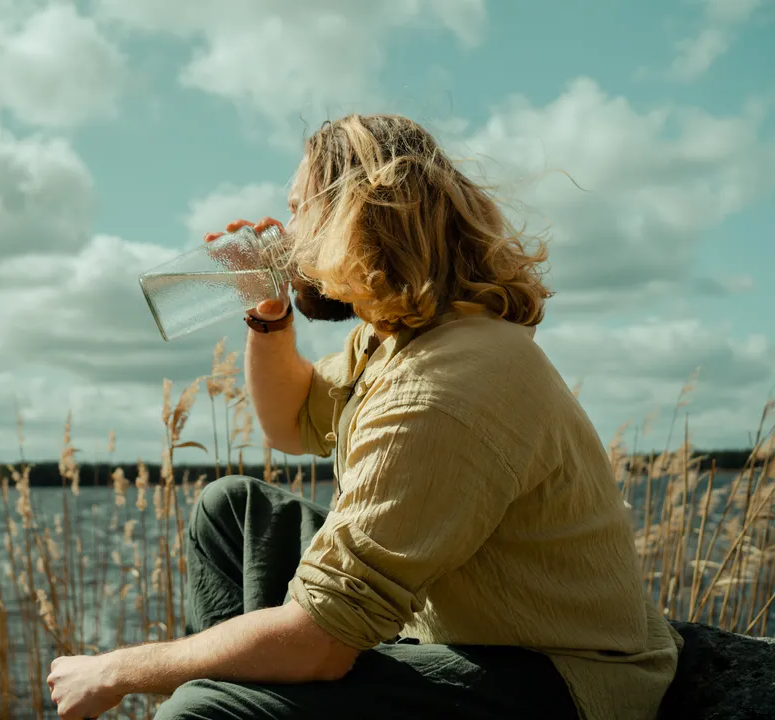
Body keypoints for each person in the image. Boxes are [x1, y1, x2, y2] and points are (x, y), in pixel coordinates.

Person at [47, 113, 681, 720]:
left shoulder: (436, 391)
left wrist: (117, 669)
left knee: (206, 711)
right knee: (231, 510)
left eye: (299, 209)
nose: (285, 233)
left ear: (354, 216)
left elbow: (318, 645)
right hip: (462, 631)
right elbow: (289, 422)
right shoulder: (403, 337)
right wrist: (269, 315)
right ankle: (246, 686)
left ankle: (237, 697)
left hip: (560, 679)